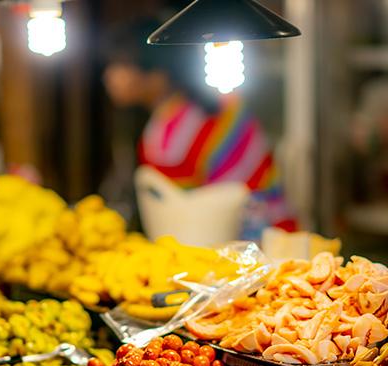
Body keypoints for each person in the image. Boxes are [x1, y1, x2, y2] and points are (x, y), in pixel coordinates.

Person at [102, 20, 296, 239]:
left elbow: (178, 220)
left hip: (245, 247)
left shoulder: (171, 136)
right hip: (279, 233)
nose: (110, 76)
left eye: (122, 65)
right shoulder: (220, 104)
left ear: (157, 74)